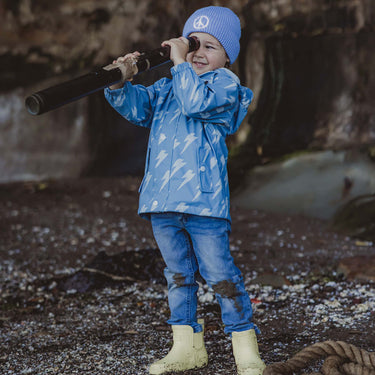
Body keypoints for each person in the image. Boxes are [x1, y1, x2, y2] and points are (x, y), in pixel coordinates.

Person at [104, 6, 266, 375]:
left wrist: (178, 63)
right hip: (163, 200)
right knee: (178, 276)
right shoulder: (168, 86)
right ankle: (187, 346)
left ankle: (245, 346)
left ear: (228, 56)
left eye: (210, 46)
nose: (198, 53)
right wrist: (118, 81)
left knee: (219, 273)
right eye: (193, 44)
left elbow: (195, 103)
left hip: (204, 202)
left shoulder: (225, 86)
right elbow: (137, 108)